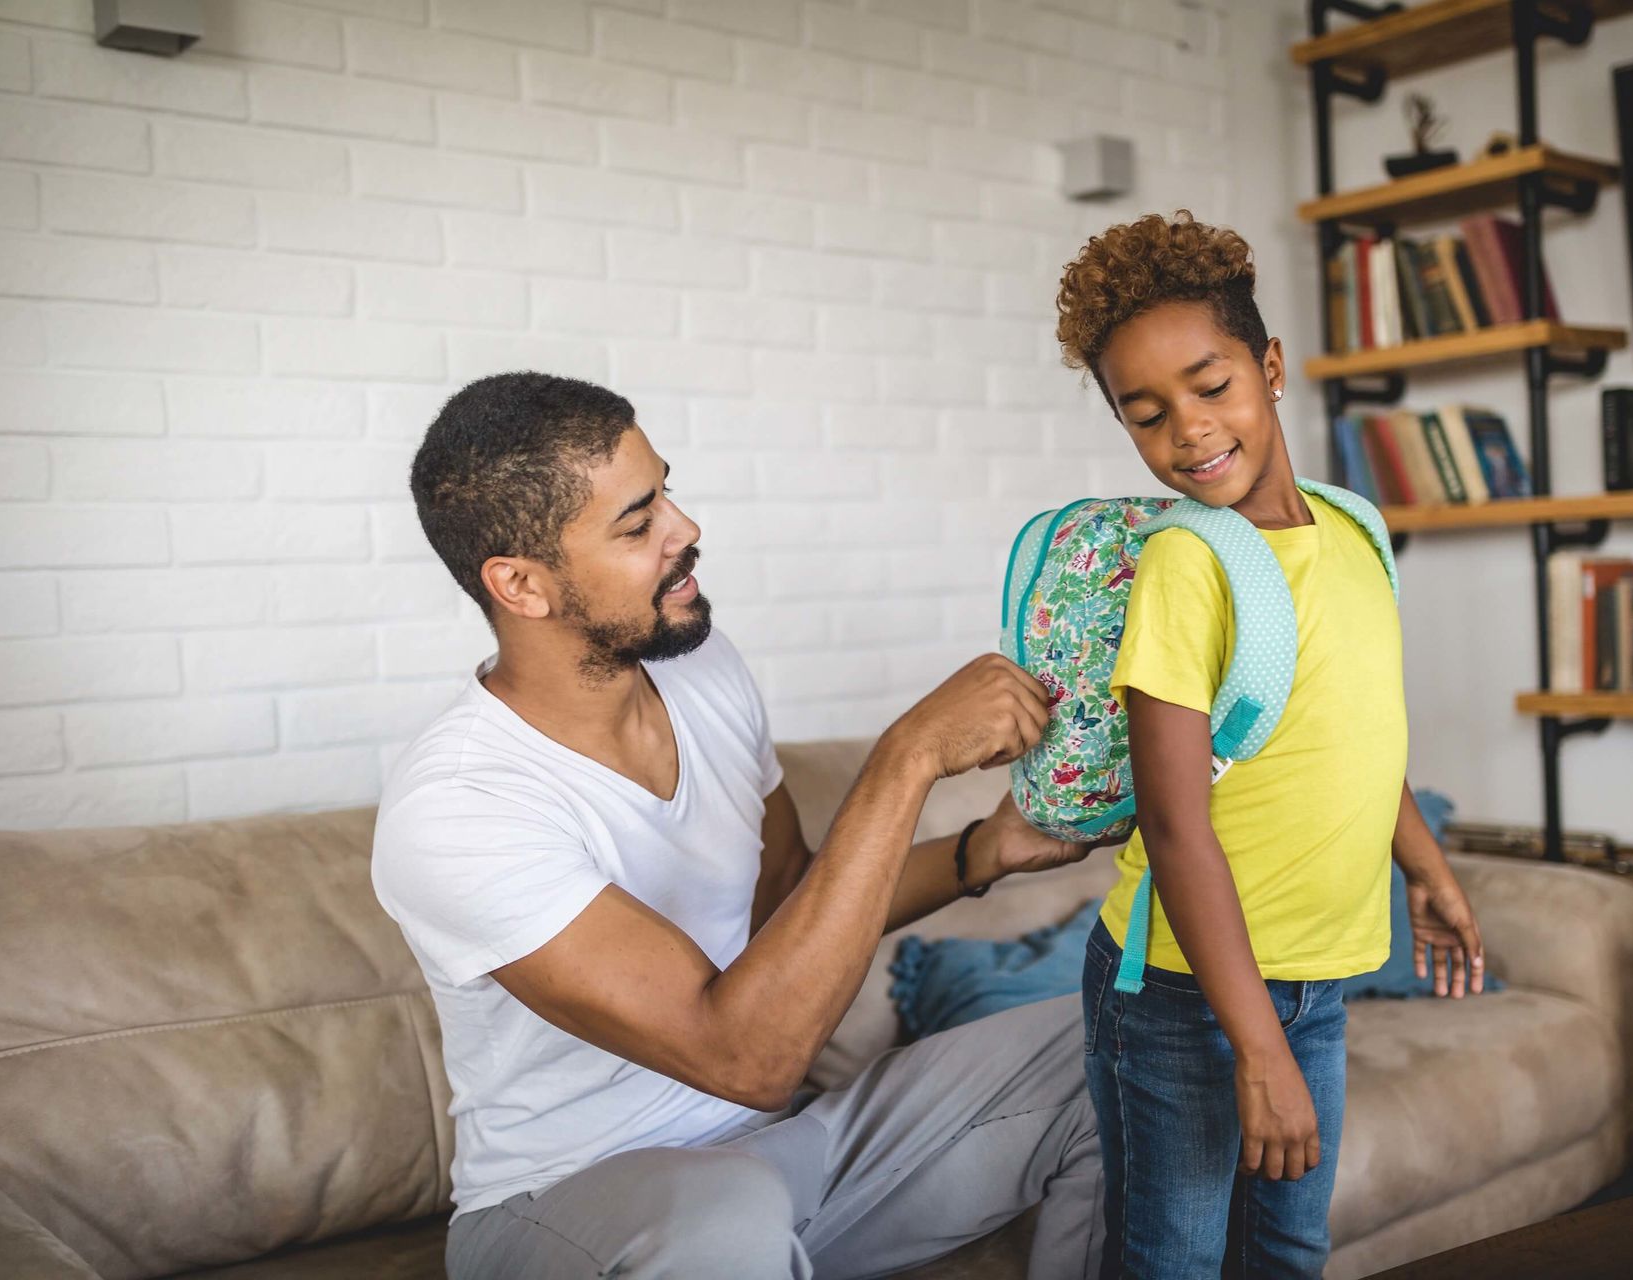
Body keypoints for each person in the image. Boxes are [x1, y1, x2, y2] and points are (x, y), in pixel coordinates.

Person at [372, 372, 1107, 1279]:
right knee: (723, 1217)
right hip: (565, 1204)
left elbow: (790, 902)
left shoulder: (701, 666)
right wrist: (907, 755)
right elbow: (747, 1055)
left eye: (666, 491)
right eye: (638, 524)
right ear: (521, 585)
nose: (685, 530)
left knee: (1124, 1048)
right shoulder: (459, 805)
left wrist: (981, 851)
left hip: (779, 1156)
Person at [1052, 212, 1489, 1278]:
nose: (1189, 431)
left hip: (1315, 979)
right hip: (1179, 990)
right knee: (1177, 1259)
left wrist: (1424, 865)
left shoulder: (1354, 528)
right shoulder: (1188, 565)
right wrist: (1254, 1044)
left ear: (1273, 365)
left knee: (1290, 1246)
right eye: (1146, 413)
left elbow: (1355, 735)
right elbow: (1172, 816)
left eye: (1211, 385)